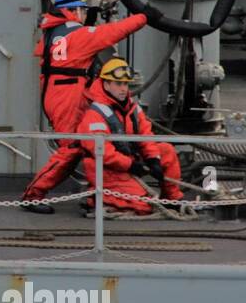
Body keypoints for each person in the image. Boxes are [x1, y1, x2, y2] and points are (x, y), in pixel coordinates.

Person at [20, 0, 148, 213]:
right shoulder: (78, 36)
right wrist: (144, 17)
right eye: (81, 10)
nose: (82, 15)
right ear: (71, 10)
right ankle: (33, 195)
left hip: (61, 94)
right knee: (72, 148)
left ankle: (96, 195)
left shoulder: (54, 31)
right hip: (67, 97)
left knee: (86, 145)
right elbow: (111, 33)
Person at [77, 58, 183, 215]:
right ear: (106, 84)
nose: (123, 89)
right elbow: (104, 153)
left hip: (127, 161)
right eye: (118, 84)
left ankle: (172, 199)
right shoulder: (95, 115)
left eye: (125, 84)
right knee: (144, 206)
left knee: (165, 150)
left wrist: (153, 160)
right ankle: (95, 198)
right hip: (106, 170)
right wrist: (131, 166)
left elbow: (146, 136)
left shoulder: (132, 109)